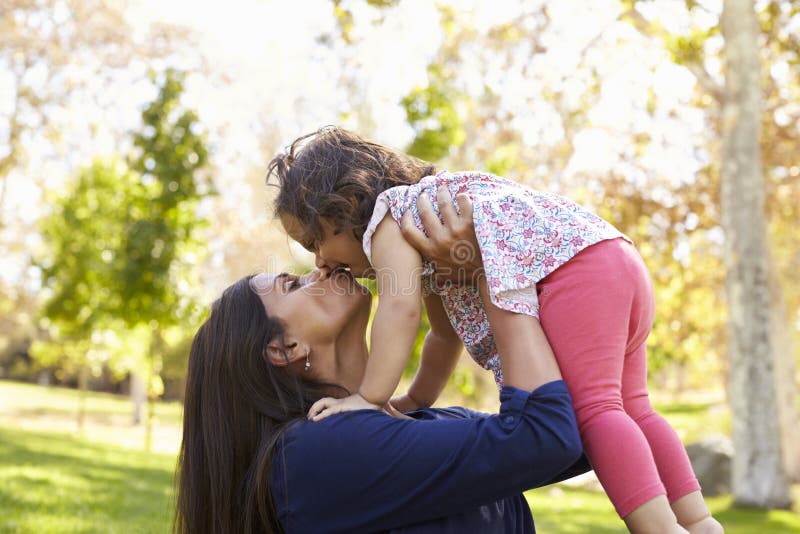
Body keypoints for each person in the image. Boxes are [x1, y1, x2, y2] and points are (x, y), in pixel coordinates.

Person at [267, 126, 723, 534]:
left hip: (574, 271)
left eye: (314, 240)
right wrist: (416, 400)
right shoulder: (424, 223)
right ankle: (699, 521)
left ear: (346, 205)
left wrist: (368, 399)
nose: (319, 261)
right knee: (633, 407)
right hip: (611, 256)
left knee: (597, 409)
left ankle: (660, 528)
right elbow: (442, 335)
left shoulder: (390, 220)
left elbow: (400, 310)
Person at [173, 235, 589, 532]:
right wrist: (492, 270)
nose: (320, 267)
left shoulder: (421, 422)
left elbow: (582, 434)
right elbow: (547, 437)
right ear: (285, 347)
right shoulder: (315, 451)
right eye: (294, 283)